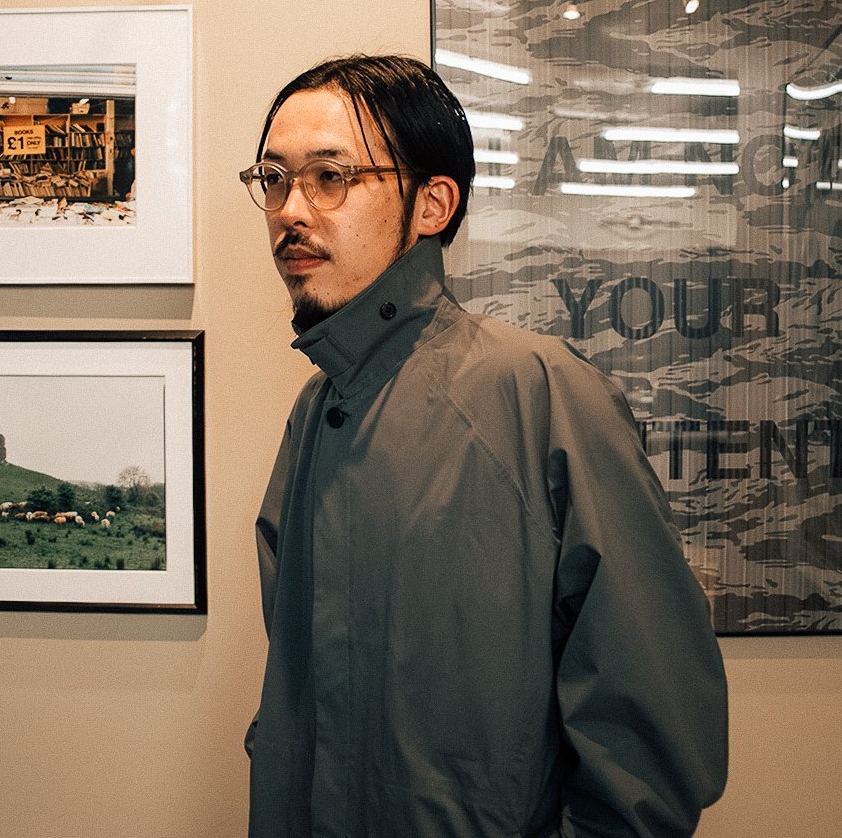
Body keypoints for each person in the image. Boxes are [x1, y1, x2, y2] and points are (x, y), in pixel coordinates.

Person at [240, 55, 727, 838]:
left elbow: (648, 749)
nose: (290, 209)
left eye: (330, 176)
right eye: (273, 178)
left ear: (432, 204)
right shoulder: (315, 413)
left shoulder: (543, 394)